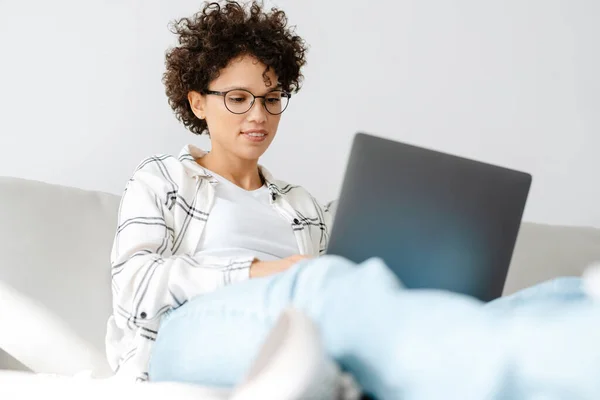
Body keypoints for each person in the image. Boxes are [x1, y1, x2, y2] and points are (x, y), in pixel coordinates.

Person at [107, 1, 600, 399]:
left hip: (303, 323)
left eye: (272, 97)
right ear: (198, 102)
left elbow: (352, 294)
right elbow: (135, 284)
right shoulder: (165, 178)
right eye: (238, 98)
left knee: (544, 295)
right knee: (324, 284)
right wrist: (271, 272)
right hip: (188, 335)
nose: (258, 114)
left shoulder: (301, 206)